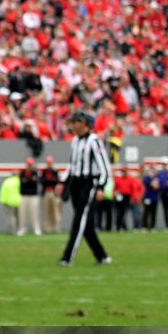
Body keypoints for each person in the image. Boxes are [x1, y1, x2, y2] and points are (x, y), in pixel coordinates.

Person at [59, 111, 111, 266]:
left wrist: (101, 186)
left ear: (85, 124)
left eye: (77, 122)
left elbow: (104, 167)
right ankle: (102, 256)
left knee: (78, 221)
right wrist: (63, 182)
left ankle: (67, 257)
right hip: (76, 183)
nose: (74, 125)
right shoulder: (75, 141)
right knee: (86, 224)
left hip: (89, 184)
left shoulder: (94, 141)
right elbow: (72, 165)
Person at [17, 157, 41, 235]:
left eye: (30, 165)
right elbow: (22, 181)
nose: (29, 166)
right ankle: (22, 229)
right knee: (22, 213)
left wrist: (27, 180)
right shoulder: (22, 173)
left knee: (34, 213)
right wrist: (30, 180)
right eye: (28, 164)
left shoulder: (35, 172)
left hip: (33, 196)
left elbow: (34, 182)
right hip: (24, 195)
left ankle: (36, 228)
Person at [40, 155, 62, 233]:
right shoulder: (44, 172)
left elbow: (55, 181)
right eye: (48, 163)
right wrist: (49, 181)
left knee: (55, 211)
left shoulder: (55, 172)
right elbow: (42, 182)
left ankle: (56, 228)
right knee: (47, 211)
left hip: (54, 193)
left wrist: (49, 181)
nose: (49, 164)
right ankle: (47, 228)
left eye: (50, 163)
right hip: (46, 192)